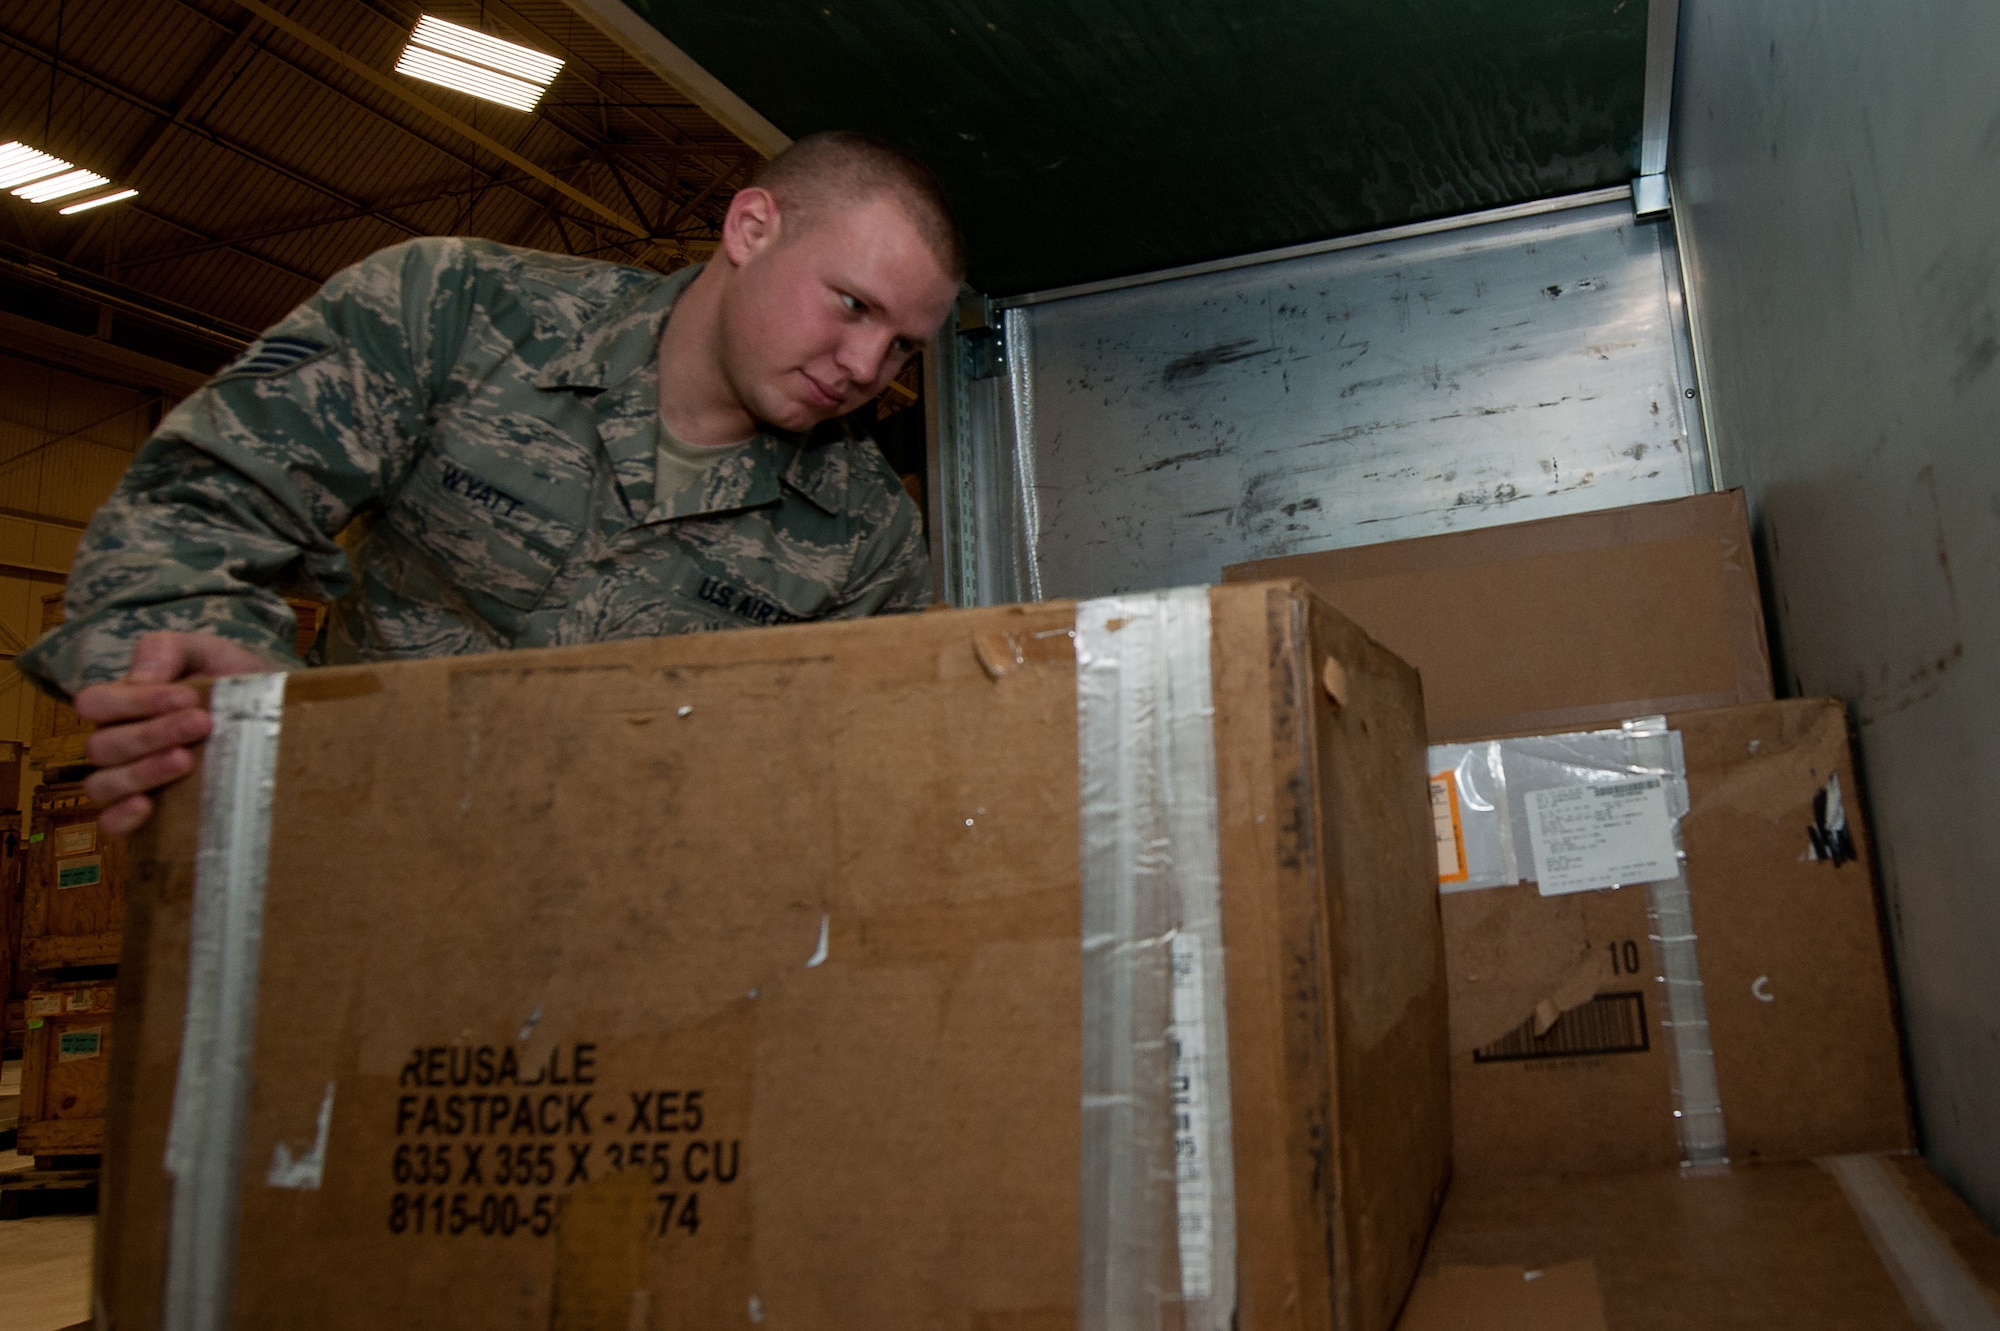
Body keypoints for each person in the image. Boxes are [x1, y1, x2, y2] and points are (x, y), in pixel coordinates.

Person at [14, 131, 963, 835]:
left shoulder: (866, 531)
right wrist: (214, 698)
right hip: (345, 871)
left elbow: (854, 785)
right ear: (752, 228)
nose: (864, 365)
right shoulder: (461, 314)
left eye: (901, 347)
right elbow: (185, 515)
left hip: (639, 954)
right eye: (852, 305)